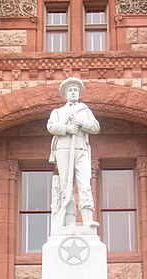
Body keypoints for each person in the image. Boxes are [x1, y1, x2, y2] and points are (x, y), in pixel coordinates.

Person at [47, 77, 100, 228]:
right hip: (63, 148)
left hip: (81, 148)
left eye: (75, 90)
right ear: (65, 94)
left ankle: (87, 218)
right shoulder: (58, 112)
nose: (73, 92)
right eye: (70, 90)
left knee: (85, 184)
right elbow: (51, 126)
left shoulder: (85, 110)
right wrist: (66, 129)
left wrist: (82, 122)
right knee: (66, 185)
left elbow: (96, 127)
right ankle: (69, 222)